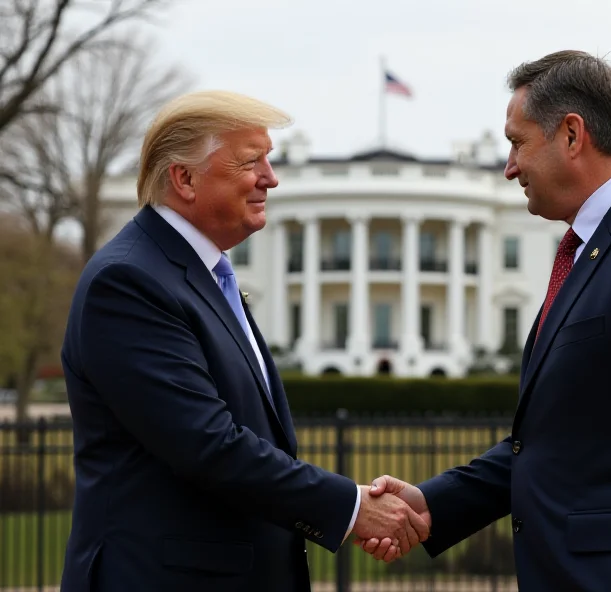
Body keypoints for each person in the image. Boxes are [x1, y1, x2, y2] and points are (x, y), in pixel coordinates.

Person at [359, 51, 611, 592]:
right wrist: (433, 502)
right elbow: (560, 440)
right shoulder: (593, 251)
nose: (509, 167)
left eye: (517, 143)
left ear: (572, 135)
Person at [59, 90, 428, 592]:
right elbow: (209, 445)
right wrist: (352, 507)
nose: (271, 178)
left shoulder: (206, 274)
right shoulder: (128, 282)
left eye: (269, 160)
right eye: (251, 161)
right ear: (184, 178)